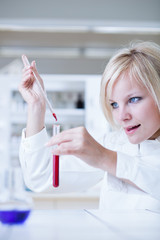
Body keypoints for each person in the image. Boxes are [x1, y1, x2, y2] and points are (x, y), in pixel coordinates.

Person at [19, 41, 160, 210]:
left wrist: (105, 158)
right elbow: (40, 178)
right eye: (114, 104)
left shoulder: (107, 151)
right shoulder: (114, 144)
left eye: (133, 99)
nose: (122, 116)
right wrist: (37, 106)